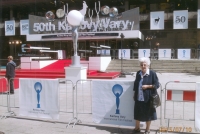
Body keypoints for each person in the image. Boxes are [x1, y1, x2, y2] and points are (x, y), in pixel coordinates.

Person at [133, 57, 159, 134]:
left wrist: (148, 86)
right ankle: (137, 128)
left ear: (148, 65)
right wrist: (134, 94)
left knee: (148, 114)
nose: (143, 66)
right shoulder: (138, 73)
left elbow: (157, 85)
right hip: (139, 97)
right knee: (137, 113)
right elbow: (135, 84)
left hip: (148, 97)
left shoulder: (152, 73)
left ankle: (147, 129)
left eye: (145, 64)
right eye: (141, 65)